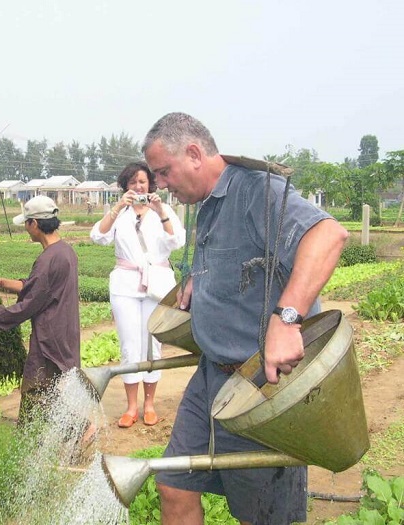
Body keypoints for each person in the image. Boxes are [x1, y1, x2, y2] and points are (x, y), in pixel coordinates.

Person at [142, 112, 349, 525]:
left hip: (260, 389)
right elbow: (236, 260)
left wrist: (286, 319)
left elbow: (328, 235)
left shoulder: (257, 190)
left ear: (195, 154)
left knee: (262, 516)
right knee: (173, 483)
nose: (161, 184)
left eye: (164, 172)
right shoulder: (208, 204)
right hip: (211, 378)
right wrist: (199, 281)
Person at [0, 195, 80, 423]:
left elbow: (28, 306)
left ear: (34, 223)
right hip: (62, 334)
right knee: (54, 391)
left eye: (26, 223)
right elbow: (37, 289)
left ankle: (78, 430)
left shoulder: (49, 259)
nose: (25, 229)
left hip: (49, 340)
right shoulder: (65, 251)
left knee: (35, 390)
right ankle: (72, 432)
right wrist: (2, 282)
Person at [90, 162, 184, 429]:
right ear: (125, 186)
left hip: (157, 284)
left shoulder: (162, 211)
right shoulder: (120, 214)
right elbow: (98, 236)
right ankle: (131, 406)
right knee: (130, 345)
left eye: (142, 182)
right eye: (133, 183)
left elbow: (176, 241)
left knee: (153, 343)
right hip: (125, 286)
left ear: (151, 185)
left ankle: (150, 404)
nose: (138, 187)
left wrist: (160, 210)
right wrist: (118, 207)